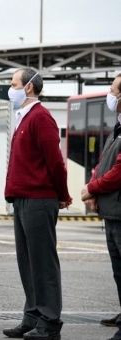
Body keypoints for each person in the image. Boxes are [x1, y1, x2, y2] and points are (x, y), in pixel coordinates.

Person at [3, 68, 72, 340]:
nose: (11, 89)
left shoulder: (41, 118)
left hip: (39, 199)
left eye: (13, 84)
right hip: (23, 199)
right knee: (27, 262)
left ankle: (49, 321)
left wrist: (62, 194)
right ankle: (32, 315)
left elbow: (55, 161)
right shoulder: (24, 118)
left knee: (42, 263)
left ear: (29, 87)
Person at [81, 74, 121, 340]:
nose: (109, 93)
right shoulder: (117, 127)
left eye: (113, 89)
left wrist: (93, 188)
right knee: (118, 271)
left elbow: (119, 171)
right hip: (112, 211)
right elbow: (103, 163)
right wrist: (93, 186)